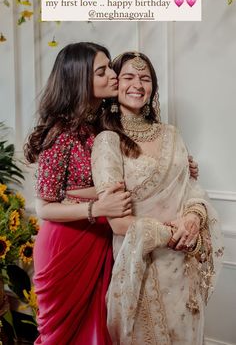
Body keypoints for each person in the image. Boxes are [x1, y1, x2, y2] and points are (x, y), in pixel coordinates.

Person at [91, 51, 223, 345]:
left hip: (183, 267)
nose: (137, 84)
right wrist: (174, 232)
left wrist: (192, 218)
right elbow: (119, 223)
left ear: (153, 87)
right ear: (115, 85)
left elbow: (191, 189)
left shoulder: (172, 134)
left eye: (145, 78)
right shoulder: (108, 141)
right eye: (128, 77)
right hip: (141, 266)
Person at [24, 42, 133, 345]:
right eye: (102, 71)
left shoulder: (101, 126)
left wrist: (178, 167)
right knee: (61, 338)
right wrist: (97, 208)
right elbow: (44, 206)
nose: (113, 75)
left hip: (100, 241)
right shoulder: (60, 132)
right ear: (79, 79)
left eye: (110, 67)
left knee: (96, 334)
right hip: (65, 246)